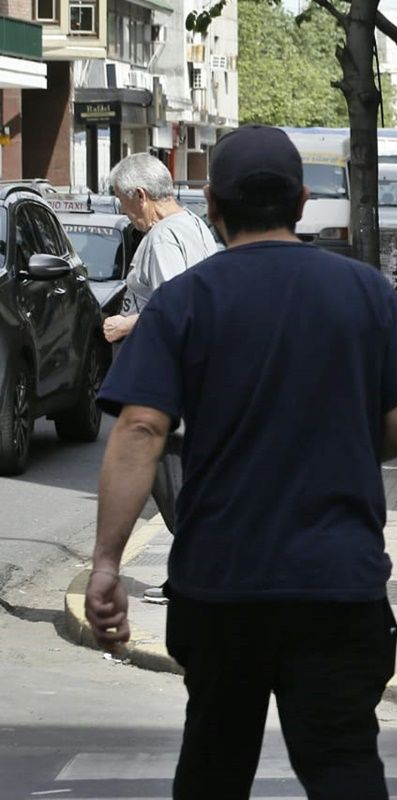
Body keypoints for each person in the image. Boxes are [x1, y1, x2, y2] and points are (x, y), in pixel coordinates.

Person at [83, 124, 397, 798]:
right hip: (337, 581)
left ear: (212, 205)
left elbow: (139, 431)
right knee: (343, 768)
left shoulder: (185, 300)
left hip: (220, 585)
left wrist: (106, 565)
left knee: (213, 764)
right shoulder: (365, 293)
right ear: (302, 201)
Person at [103, 153, 220, 604]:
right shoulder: (192, 224)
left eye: (122, 200)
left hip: (168, 381)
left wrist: (123, 325)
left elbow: (179, 308)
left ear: (141, 195)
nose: (123, 211)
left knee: (167, 476)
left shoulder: (164, 236)